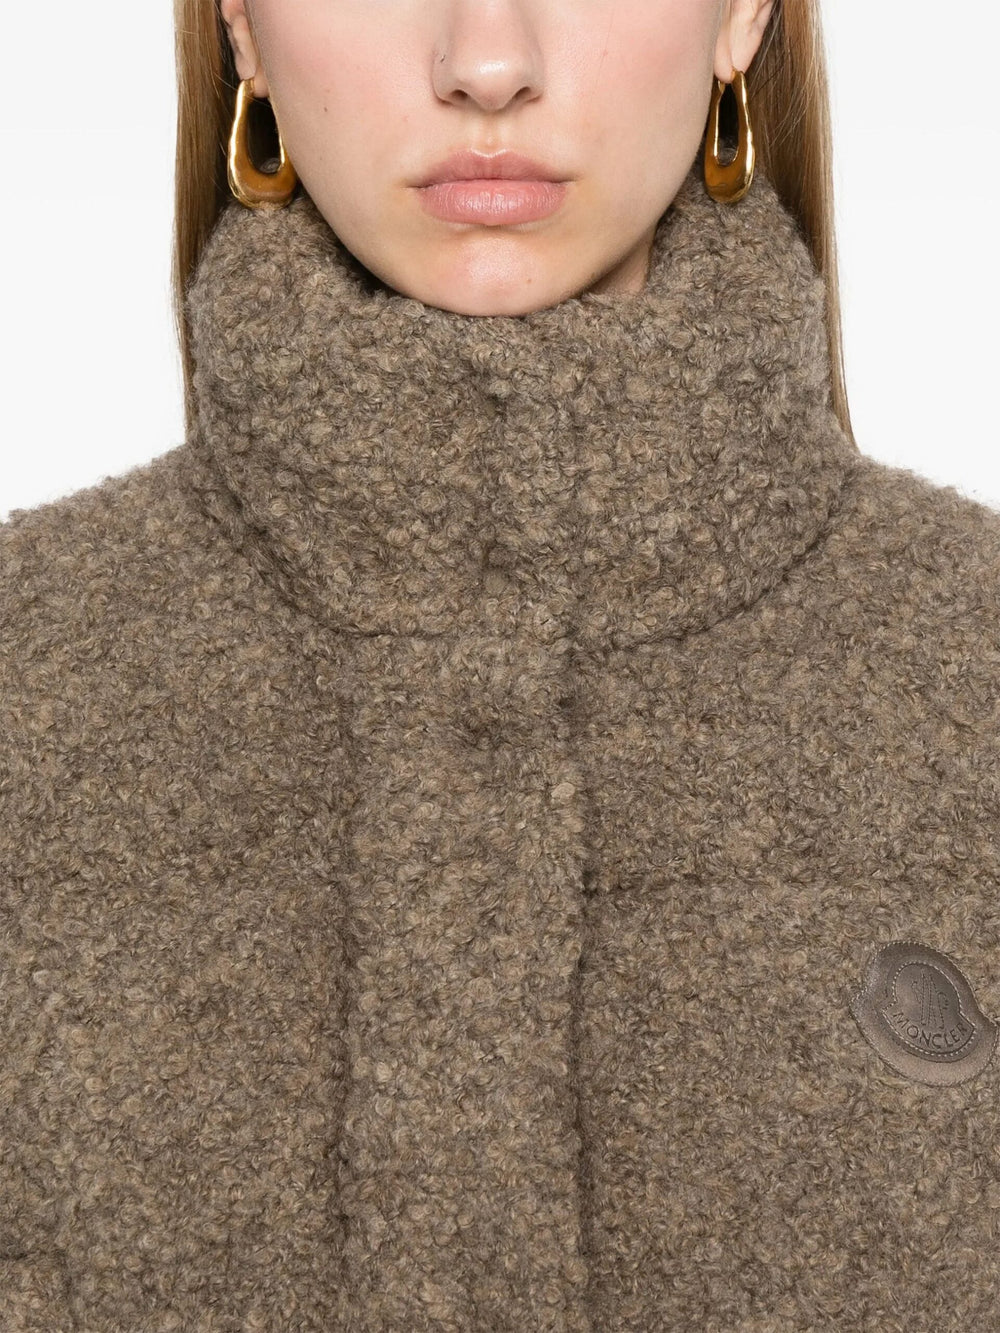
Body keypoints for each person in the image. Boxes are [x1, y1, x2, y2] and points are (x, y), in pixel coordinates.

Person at [2, 0, 999, 1328]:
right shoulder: (28, 679)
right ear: (241, 25)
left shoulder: (973, 668)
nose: (486, 62)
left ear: (742, 14)